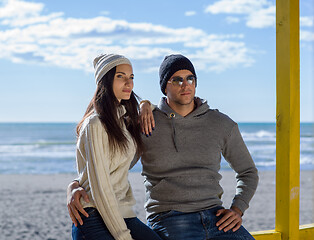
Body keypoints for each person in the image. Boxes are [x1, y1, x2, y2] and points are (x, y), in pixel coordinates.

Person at [68, 54, 259, 240]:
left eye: (190, 79)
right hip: (170, 217)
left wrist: (237, 209)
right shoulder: (146, 123)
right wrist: (75, 185)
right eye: (177, 80)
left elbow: (248, 171)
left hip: (216, 217)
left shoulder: (221, 124)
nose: (185, 85)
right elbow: (109, 166)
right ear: (164, 86)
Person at [70, 53, 162, 240]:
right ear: (105, 80)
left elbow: (156, 109)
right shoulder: (95, 124)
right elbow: (100, 187)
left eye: (131, 77)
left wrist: (144, 104)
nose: (129, 83)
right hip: (94, 214)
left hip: (123, 213)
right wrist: (123, 236)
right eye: (120, 76)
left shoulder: (122, 123)